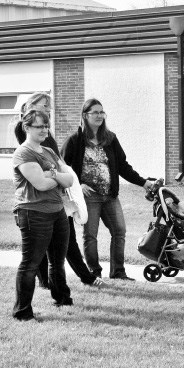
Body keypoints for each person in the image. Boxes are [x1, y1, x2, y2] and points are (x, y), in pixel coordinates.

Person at [16, 92, 105, 288]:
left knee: (61, 241)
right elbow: (40, 173)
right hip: (37, 201)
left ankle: (53, 283)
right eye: (44, 106)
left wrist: (60, 178)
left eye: (49, 108)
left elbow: (58, 165)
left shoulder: (46, 134)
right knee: (48, 245)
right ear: (31, 107)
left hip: (56, 194)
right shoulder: (27, 132)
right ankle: (79, 278)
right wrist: (56, 175)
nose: (48, 110)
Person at [61, 98, 153, 280]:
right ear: (85, 115)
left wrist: (143, 183)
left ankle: (118, 272)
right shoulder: (75, 140)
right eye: (95, 112)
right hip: (89, 197)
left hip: (110, 195)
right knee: (90, 235)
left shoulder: (110, 139)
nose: (99, 115)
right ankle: (94, 272)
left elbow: (123, 166)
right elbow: (64, 168)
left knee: (119, 231)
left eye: (102, 112)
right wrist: (78, 184)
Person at [12, 109, 74, 321]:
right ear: (27, 127)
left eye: (46, 126)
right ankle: (22, 312)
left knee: (57, 261)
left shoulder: (49, 152)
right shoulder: (23, 153)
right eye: (39, 126)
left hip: (57, 212)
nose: (44, 130)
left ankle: (62, 298)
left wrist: (53, 174)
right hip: (33, 213)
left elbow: (70, 180)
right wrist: (56, 177)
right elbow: (40, 183)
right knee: (30, 263)